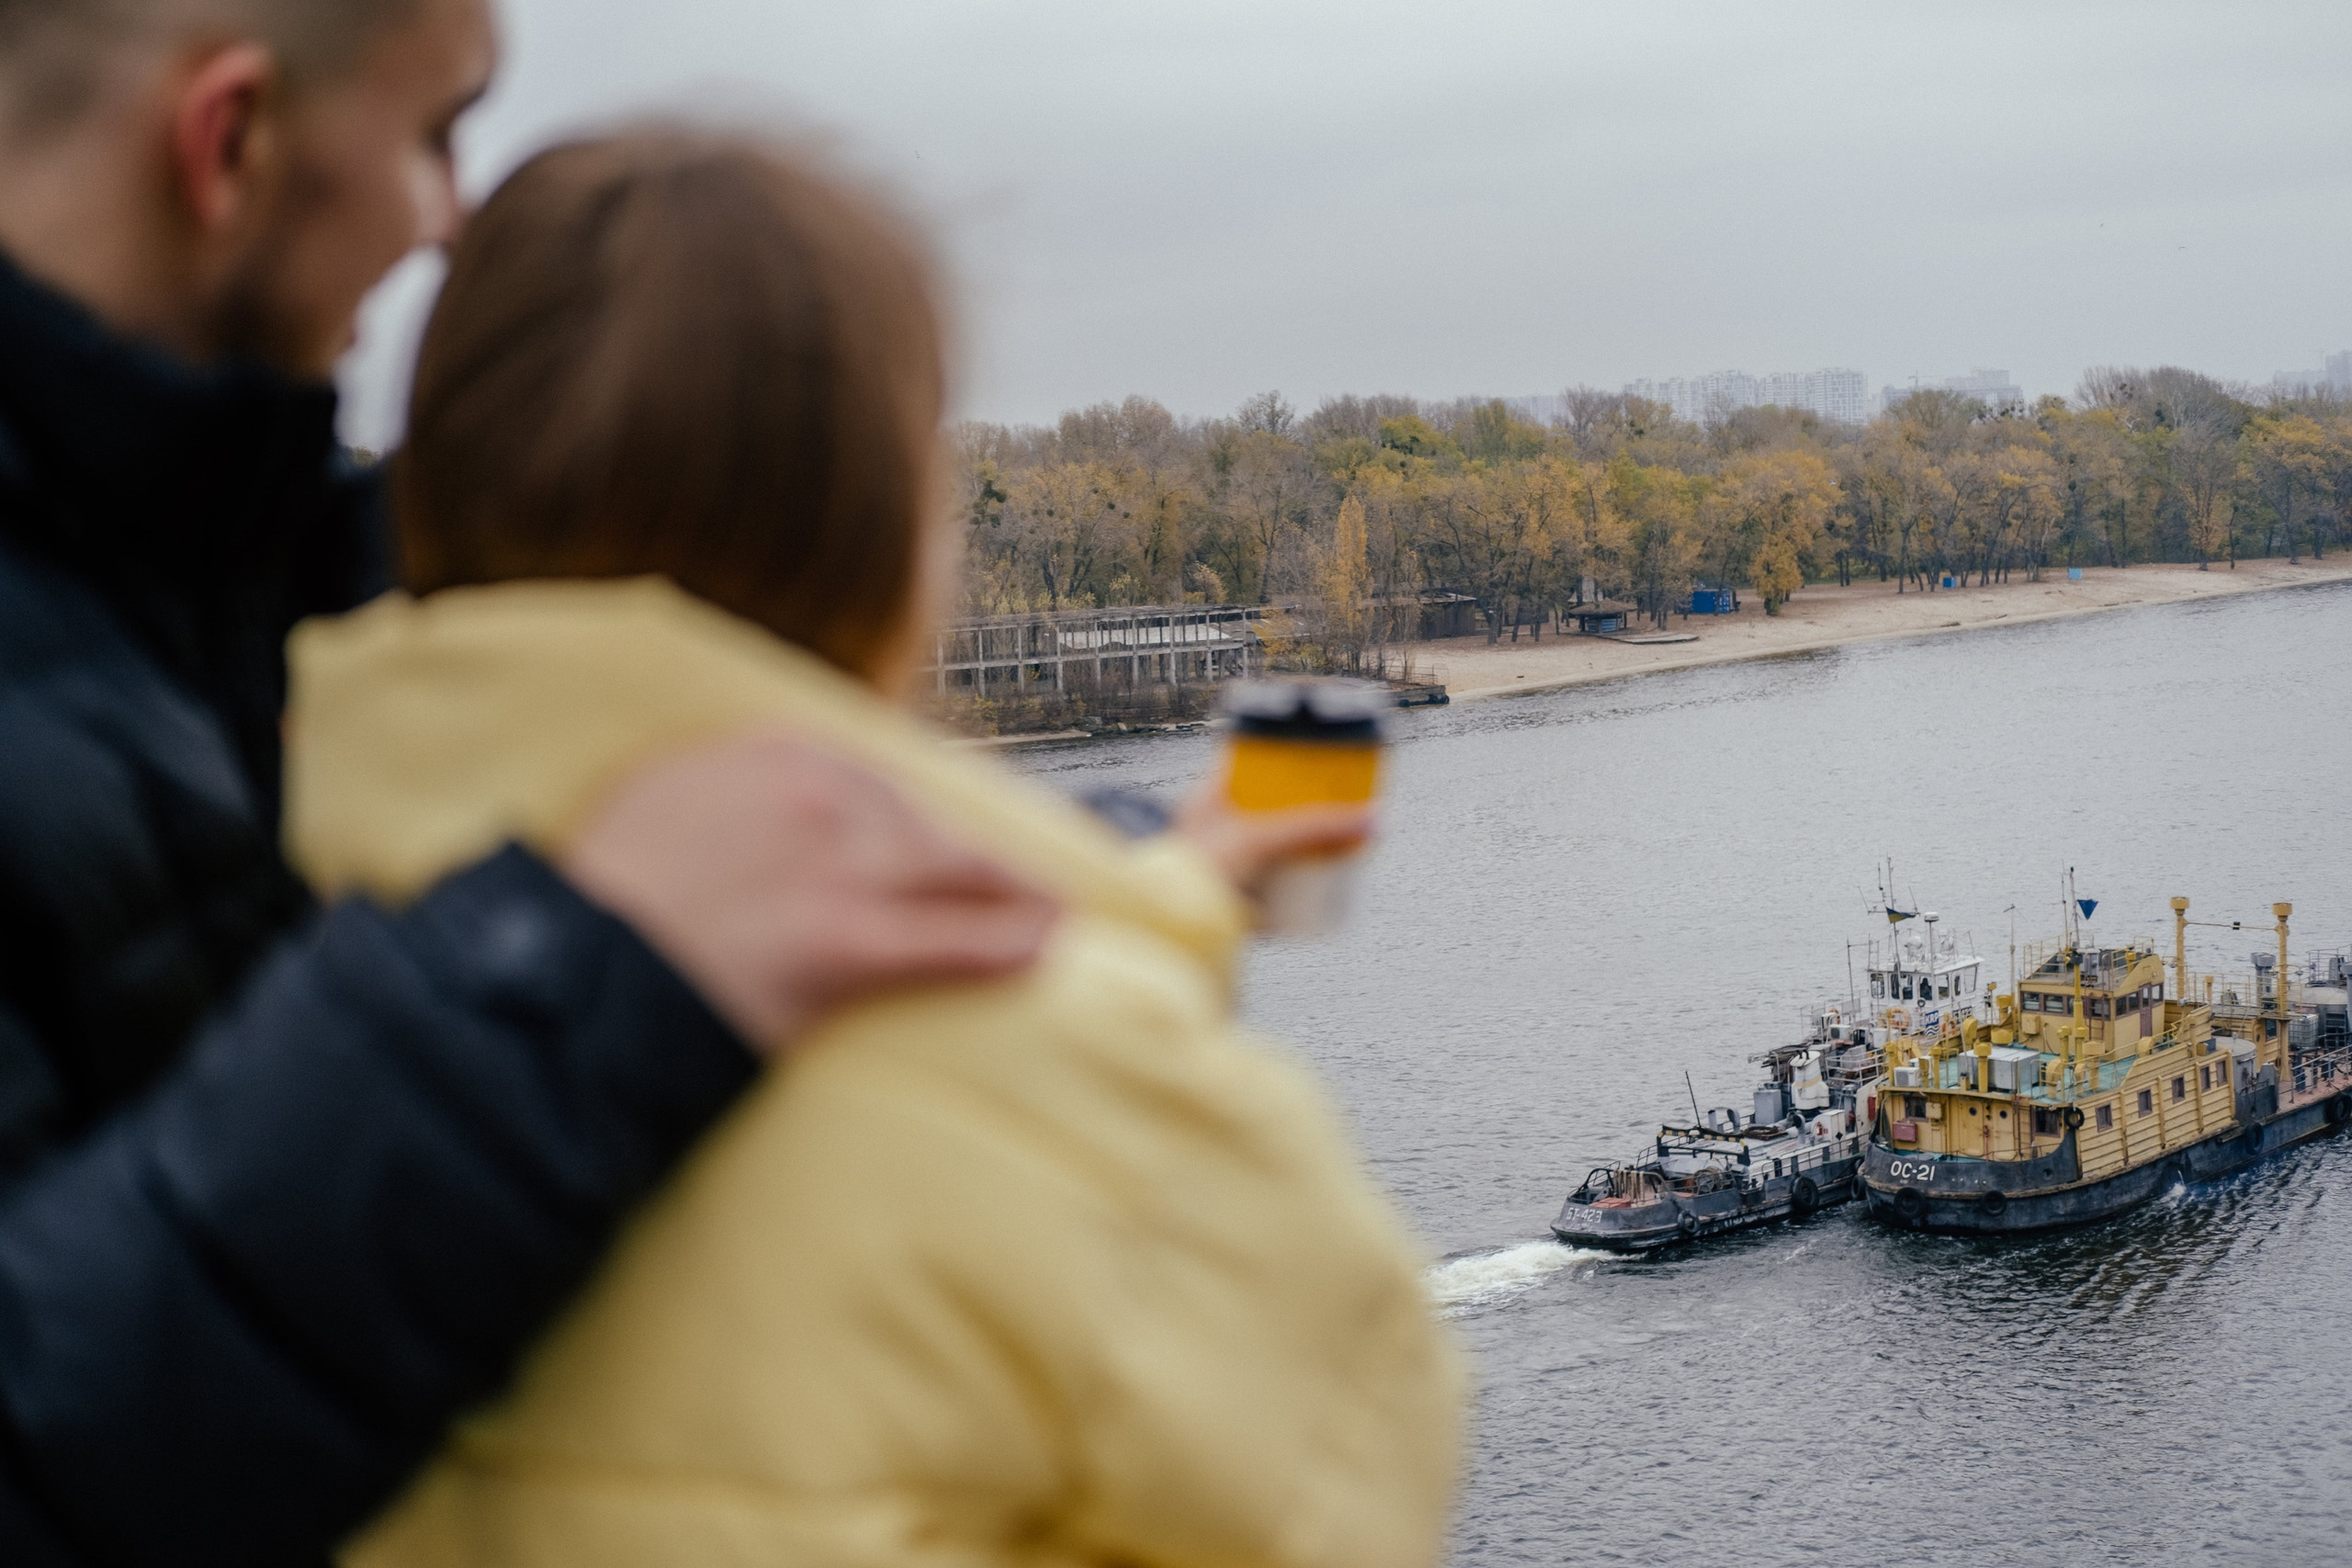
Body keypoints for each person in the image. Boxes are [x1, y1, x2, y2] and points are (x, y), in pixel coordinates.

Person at [294, 129, 1463, 1567]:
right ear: (899, 545)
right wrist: (1128, 983)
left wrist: (1152, 891)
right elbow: (1359, 1474)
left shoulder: (199, 902)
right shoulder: (1096, 1100)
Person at [0, 3, 1064, 1563]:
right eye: (437, 134)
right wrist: (566, 975)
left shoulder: (231, 590)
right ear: (226, 142)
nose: (454, 221)